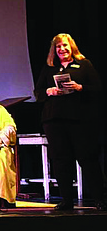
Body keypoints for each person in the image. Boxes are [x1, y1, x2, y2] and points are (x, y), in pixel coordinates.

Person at [34, 33, 106, 210]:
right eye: (58, 46)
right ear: (54, 50)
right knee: (60, 160)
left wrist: (80, 87)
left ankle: (100, 199)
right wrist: (49, 91)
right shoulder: (49, 68)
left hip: (79, 120)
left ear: (71, 47)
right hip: (54, 120)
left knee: (87, 158)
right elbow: (38, 93)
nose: (62, 49)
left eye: (65, 45)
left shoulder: (84, 65)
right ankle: (67, 200)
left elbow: (98, 88)